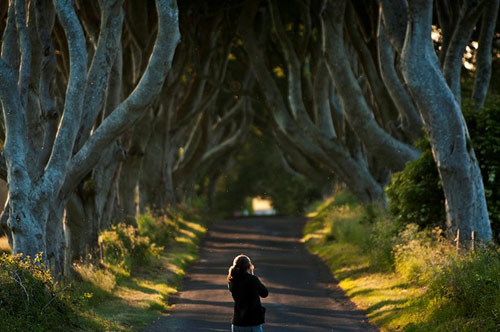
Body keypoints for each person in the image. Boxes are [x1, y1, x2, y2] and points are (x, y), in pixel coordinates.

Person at [227, 254, 268, 332]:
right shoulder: (252, 280)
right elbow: (264, 293)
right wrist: (253, 276)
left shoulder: (232, 281)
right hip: (251, 323)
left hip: (237, 323)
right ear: (249, 266)